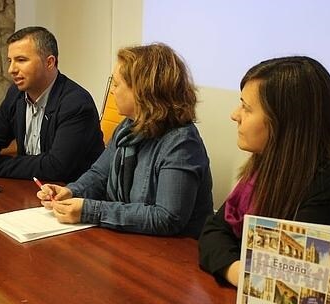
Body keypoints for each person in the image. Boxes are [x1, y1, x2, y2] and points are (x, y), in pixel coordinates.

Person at [198, 56, 330, 304]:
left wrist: (249, 276)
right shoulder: (270, 165)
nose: (235, 115)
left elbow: (295, 289)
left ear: (285, 122)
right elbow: (215, 230)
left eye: (247, 108)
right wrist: (239, 271)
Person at [36, 43, 213, 238]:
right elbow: (99, 174)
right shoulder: (128, 126)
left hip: (173, 253)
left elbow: (167, 218)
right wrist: (69, 191)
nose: (112, 91)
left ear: (142, 90)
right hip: (133, 240)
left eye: (117, 84)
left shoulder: (181, 143)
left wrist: (89, 210)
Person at [0, 26, 104, 182]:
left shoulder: (76, 104)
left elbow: (56, 167)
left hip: (70, 194)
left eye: (21, 60)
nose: (11, 69)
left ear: (49, 62)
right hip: (30, 187)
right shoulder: (16, 94)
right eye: (10, 61)